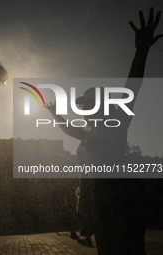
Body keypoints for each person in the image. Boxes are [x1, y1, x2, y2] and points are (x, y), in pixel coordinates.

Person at [45, 8, 162, 255]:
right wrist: (55, 115)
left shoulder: (116, 125)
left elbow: (133, 88)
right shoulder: (88, 135)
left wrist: (141, 52)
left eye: (89, 104)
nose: (85, 110)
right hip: (103, 217)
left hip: (122, 213)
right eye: (83, 106)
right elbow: (68, 130)